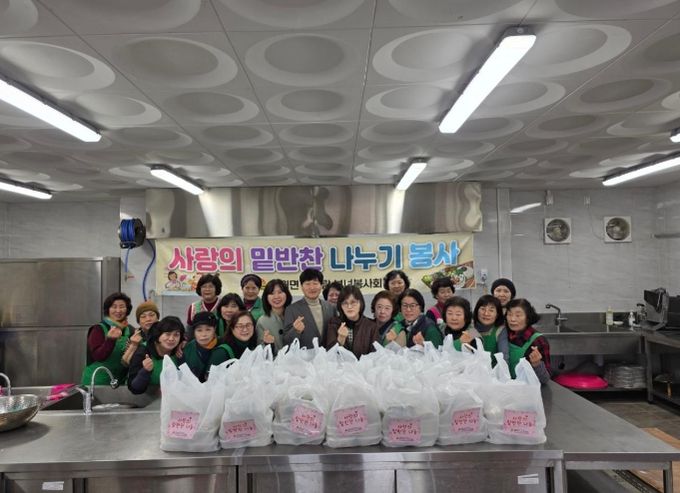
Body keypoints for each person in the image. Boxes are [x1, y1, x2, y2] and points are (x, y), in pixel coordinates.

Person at [81, 292, 134, 385]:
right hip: (97, 381)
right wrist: (110, 340)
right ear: (108, 310)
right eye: (114, 307)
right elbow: (98, 356)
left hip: (119, 382)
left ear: (127, 309)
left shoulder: (130, 330)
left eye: (122, 307)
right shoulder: (98, 329)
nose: (118, 310)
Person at [127, 316, 184, 394]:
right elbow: (134, 389)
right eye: (167, 334)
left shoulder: (180, 351)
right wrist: (145, 371)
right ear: (158, 335)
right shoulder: (143, 352)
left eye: (176, 335)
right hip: (147, 398)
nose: (171, 339)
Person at [283, 268, 336, 349]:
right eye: (307, 284)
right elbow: (286, 340)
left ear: (321, 285)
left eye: (315, 283)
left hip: (327, 354)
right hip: (303, 355)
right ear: (301, 287)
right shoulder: (291, 309)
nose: (312, 287)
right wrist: (296, 331)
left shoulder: (330, 308)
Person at [503, 298, 551, 384]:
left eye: (518, 315)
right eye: (509, 314)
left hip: (526, 388)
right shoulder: (504, 334)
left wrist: (537, 364)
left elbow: (545, 379)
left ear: (527, 318)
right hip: (506, 386)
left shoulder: (538, 340)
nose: (512, 319)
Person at [325, 285, 379, 358]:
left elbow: (375, 355)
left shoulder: (371, 326)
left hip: (365, 365)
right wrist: (340, 340)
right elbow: (329, 355)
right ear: (340, 306)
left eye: (353, 302)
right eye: (345, 303)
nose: (349, 307)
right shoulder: (334, 323)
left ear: (360, 303)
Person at [182, 311, 219, 382]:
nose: (204, 334)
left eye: (208, 329)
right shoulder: (186, 349)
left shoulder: (223, 346)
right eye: (199, 330)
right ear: (194, 331)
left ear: (215, 329)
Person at [256, 278, 292, 351]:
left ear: (287, 294)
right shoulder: (262, 321)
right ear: (266, 297)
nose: (276, 296)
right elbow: (260, 350)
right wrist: (268, 344)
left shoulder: (295, 314)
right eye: (272, 293)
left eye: (280, 292)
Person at [121, 300, 160, 367]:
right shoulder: (134, 336)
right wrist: (133, 345)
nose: (148, 319)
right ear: (138, 322)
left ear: (157, 318)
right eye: (143, 316)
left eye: (151, 315)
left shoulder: (164, 333)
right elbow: (125, 363)